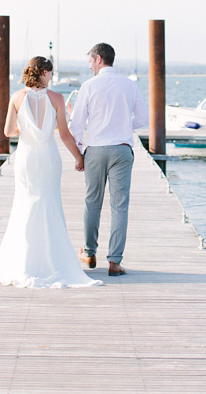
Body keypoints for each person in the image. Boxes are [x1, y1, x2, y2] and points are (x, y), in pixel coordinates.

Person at [0, 56, 102, 289]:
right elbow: (64, 135)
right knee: (49, 203)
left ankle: (24, 260)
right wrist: (79, 157)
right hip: (48, 157)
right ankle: (52, 260)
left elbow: (7, 131)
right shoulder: (56, 98)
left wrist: (26, 128)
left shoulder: (16, 98)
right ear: (44, 73)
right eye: (50, 73)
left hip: (25, 157)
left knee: (25, 204)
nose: (52, 77)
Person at [70, 43, 148, 277]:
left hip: (95, 149)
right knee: (119, 206)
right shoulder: (129, 85)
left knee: (92, 202)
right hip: (122, 150)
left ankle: (90, 251)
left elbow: (76, 124)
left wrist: (80, 149)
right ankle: (114, 261)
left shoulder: (89, 86)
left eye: (91, 62)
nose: (90, 66)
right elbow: (143, 118)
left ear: (99, 59)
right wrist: (124, 126)